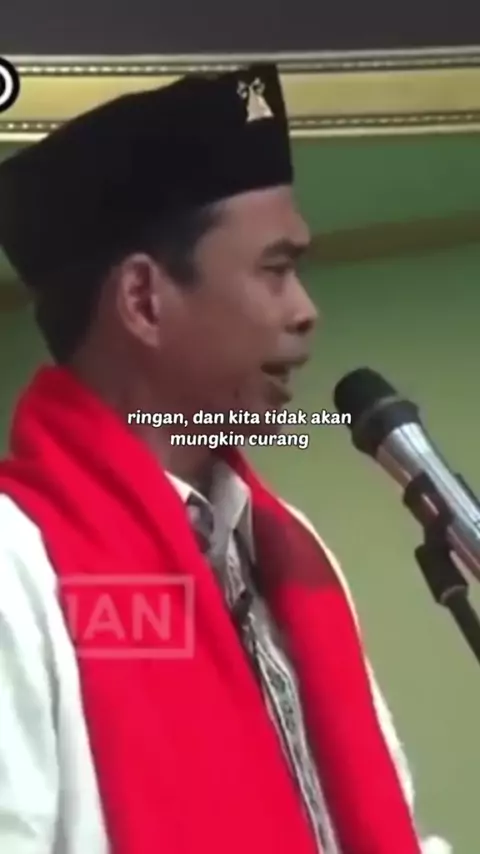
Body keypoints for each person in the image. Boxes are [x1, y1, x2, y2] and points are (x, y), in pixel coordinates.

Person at [0, 63, 450, 854]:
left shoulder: (287, 543)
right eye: (276, 270)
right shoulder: (17, 564)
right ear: (143, 300)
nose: (306, 312)